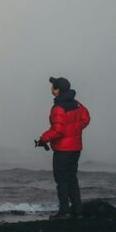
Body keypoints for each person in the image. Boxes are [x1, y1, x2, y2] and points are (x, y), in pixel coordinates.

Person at [35, 76, 90, 219]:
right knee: (72, 178)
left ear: (57, 90)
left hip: (63, 150)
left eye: (53, 86)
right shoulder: (76, 104)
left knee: (62, 180)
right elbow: (86, 118)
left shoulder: (58, 107)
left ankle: (64, 211)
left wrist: (43, 138)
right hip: (76, 148)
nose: (51, 88)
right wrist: (75, 130)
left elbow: (58, 130)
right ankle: (77, 210)